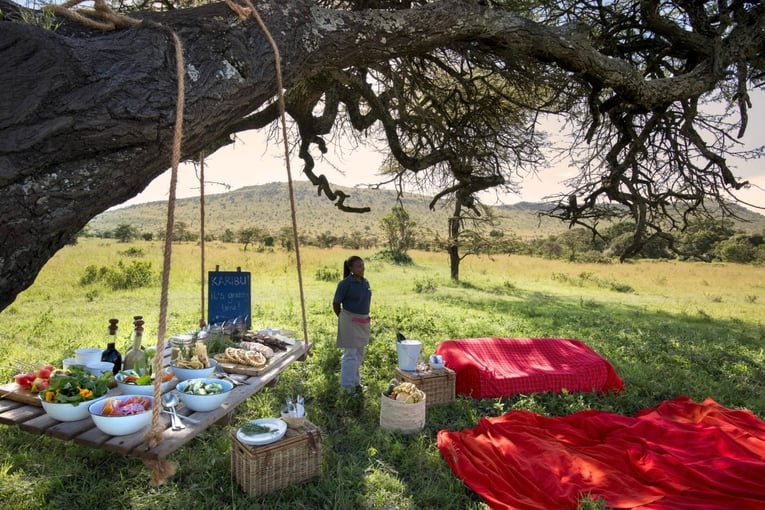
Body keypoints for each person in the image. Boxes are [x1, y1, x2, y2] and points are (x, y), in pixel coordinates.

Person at [332, 255, 372, 396]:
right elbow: (336, 303)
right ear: (351, 268)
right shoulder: (345, 284)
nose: (362, 268)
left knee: (360, 353)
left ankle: (355, 382)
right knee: (350, 354)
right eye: (359, 266)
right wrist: (344, 319)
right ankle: (347, 387)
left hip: (363, 321)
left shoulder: (365, 282)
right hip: (349, 320)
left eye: (363, 265)